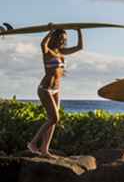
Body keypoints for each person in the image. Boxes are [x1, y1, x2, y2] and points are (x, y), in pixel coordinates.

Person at [27, 27, 84, 157]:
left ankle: (44, 150)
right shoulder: (47, 51)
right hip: (45, 89)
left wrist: (79, 30)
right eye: (60, 38)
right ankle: (33, 144)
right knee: (54, 118)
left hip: (56, 89)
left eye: (64, 39)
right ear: (54, 38)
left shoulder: (61, 52)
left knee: (53, 120)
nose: (62, 41)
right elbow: (42, 44)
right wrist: (51, 31)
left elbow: (80, 47)